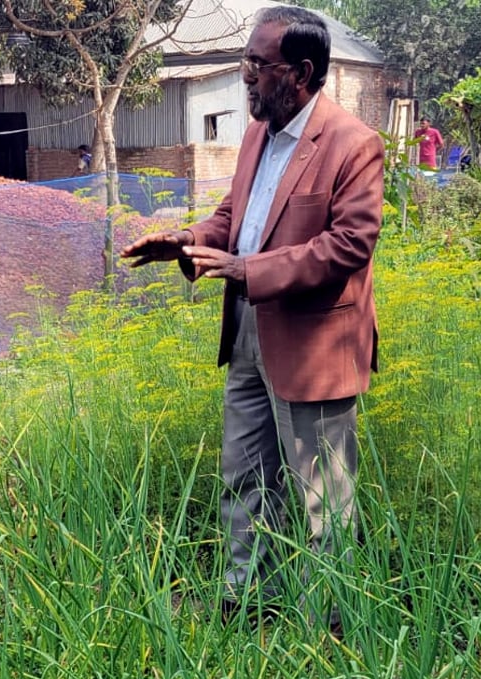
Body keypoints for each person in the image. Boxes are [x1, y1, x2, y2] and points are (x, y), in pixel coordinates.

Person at [120, 6, 382, 635]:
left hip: (314, 346)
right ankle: (246, 603)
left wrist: (245, 270)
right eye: (248, 61)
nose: (246, 75)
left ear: (302, 72)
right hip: (249, 336)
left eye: (258, 65)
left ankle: (329, 624)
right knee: (243, 477)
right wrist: (187, 239)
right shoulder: (258, 135)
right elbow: (234, 215)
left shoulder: (352, 144)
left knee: (323, 499)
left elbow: (350, 244)